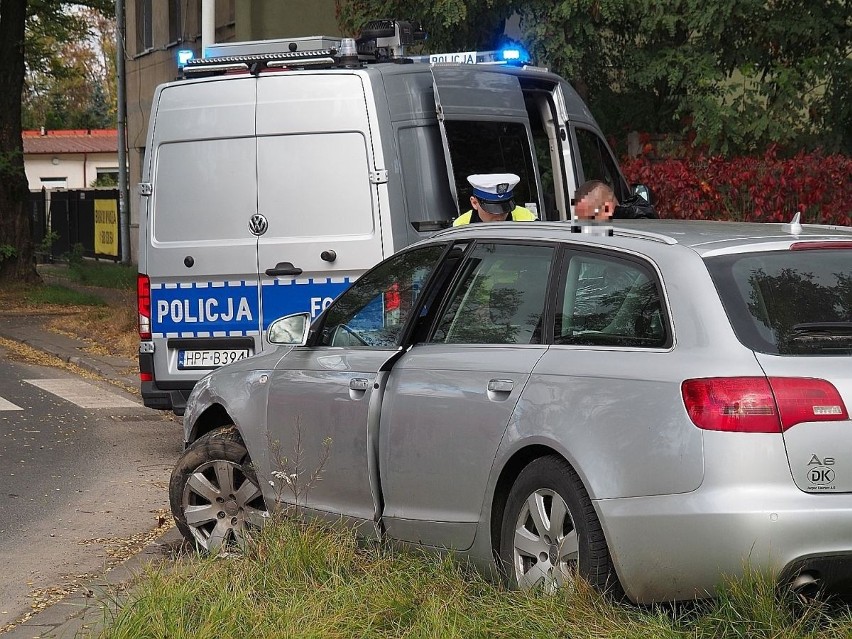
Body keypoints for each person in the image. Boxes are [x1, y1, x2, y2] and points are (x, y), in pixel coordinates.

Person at [453, 173, 538, 225]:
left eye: (505, 208)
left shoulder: (526, 218)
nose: (499, 215)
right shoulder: (461, 226)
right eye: (492, 209)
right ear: (475, 203)